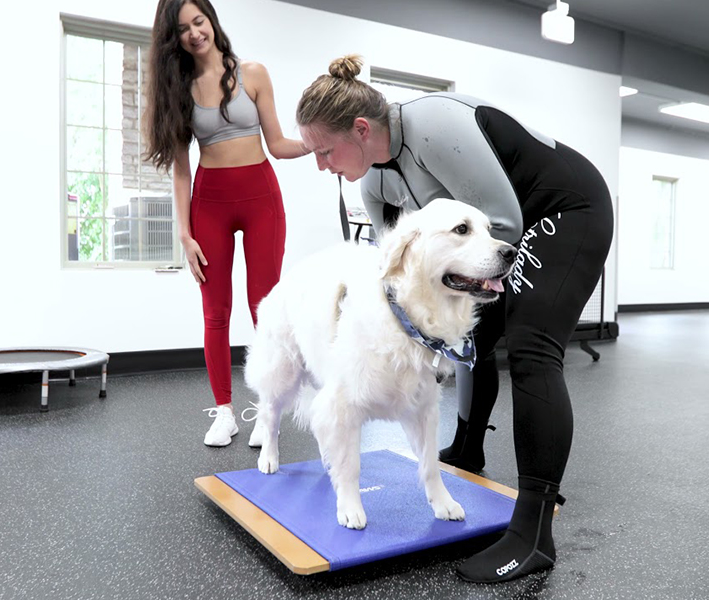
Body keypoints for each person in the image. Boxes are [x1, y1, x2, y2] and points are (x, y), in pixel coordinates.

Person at [295, 55, 613, 583]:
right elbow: (393, 263)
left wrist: (460, 285)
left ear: (360, 129)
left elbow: (502, 225)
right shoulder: (372, 185)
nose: (321, 165)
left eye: (324, 151)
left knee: (531, 344)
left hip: (564, 208)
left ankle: (533, 534)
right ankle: (466, 449)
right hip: (500, 233)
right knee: (460, 334)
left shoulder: (436, 124)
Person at [145, 0, 309, 447]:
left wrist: (319, 144)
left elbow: (277, 144)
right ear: (173, 38)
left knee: (264, 308)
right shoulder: (179, 89)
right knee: (215, 312)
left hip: (261, 200)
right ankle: (223, 412)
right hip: (210, 205)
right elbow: (181, 169)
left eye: (199, 21)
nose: (194, 32)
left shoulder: (252, 74)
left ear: (211, 21)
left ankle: (267, 409)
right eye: (183, 29)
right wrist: (184, 233)